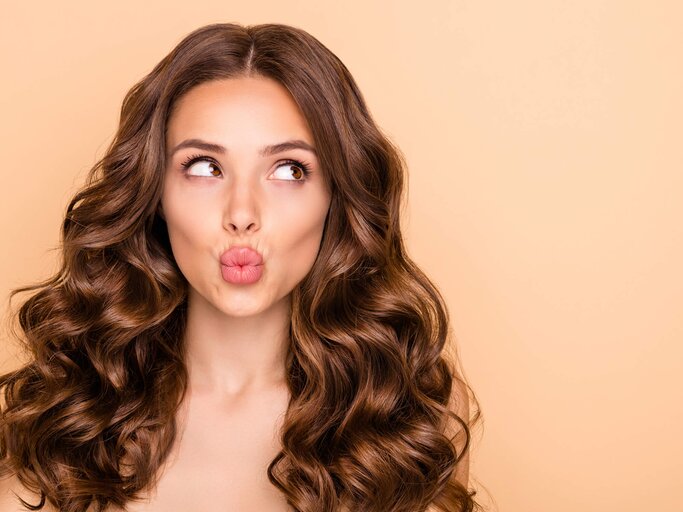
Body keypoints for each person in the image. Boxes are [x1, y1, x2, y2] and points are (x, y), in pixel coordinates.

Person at [0, 22, 481, 512]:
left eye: (289, 170)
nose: (242, 214)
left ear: (335, 195)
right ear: (155, 194)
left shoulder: (408, 412)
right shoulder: (73, 408)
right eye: (205, 166)